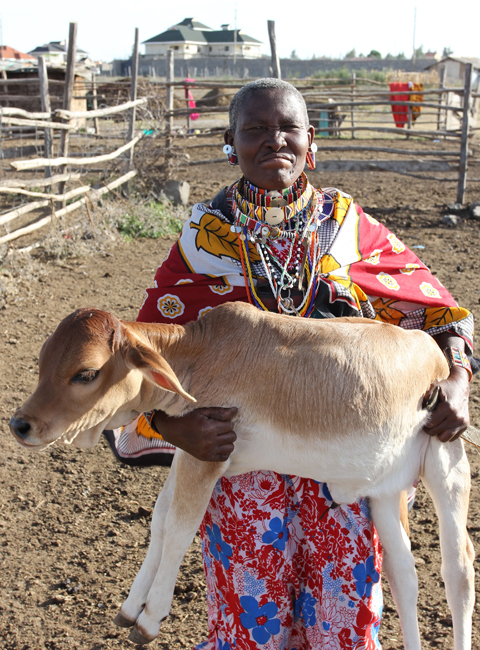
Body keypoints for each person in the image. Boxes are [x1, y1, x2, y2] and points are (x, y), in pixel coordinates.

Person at [105, 79, 473, 650]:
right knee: (253, 623)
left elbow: (441, 315)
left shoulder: (351, 228)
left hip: (343, 470)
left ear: (311, 143)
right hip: (241, 470)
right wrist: (177, 428)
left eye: (288, 129)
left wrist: (458, 381)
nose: (273, 140)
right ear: (230, 142)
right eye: (255, 130)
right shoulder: (204, 240)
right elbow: (147, 362)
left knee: (344, 621)